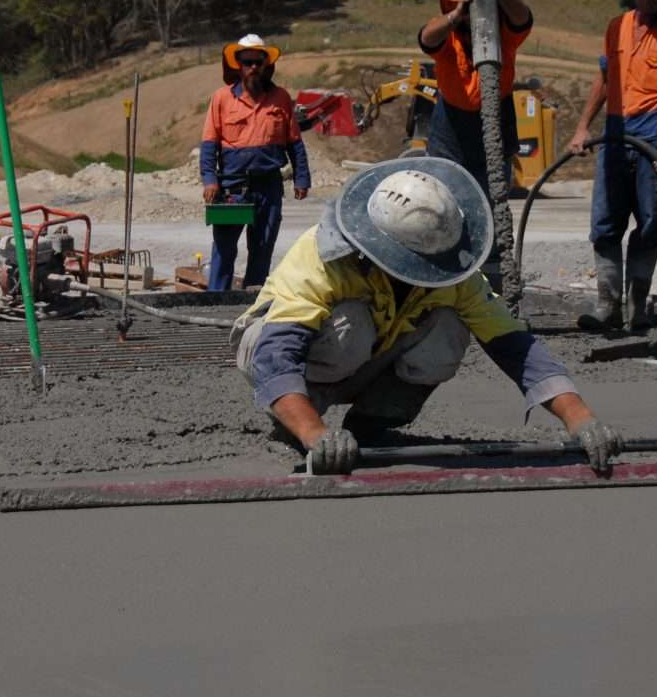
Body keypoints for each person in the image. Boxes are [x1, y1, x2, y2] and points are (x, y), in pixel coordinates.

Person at [231, 156, 623, 475]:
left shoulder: (450, 270)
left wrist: (580, 419)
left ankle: (371, 425)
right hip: (270, 349)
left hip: (366, 353)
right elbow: (276, 356)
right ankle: (294, 422)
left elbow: (515, 346)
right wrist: (316, 435)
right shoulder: (323, 257)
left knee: (448, 329)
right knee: (351, 324)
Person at [565, 0, 657, 331]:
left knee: (651, 220)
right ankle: (608, 305)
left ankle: (638, 306)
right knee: (605, 221)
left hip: (652, 130)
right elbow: (605, 81)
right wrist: (583, 127)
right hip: (616, 130)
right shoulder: (615, 27)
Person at [418, 0, 533, 290]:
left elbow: (523, 18)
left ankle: (493, 288)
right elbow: (426, 38)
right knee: (445, 210)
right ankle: (448, 285)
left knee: (491, 211)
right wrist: (457, 14)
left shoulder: (503, 34)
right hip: (451, 129)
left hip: (495, 123)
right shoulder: (449, 37)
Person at [200, 34, 310, 291]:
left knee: (262, 249)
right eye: (247, 62)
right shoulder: (222, 98)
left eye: (257, 62)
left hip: (269, 187)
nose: (252, 67)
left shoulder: (281, 98)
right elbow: (209, 144)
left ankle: (253, 303)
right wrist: (210, 179)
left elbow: (295, 142)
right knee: (224, 250)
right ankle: (216, 301)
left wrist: (302, 178)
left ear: (265, 65)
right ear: (238, 65)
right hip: (232, 187)